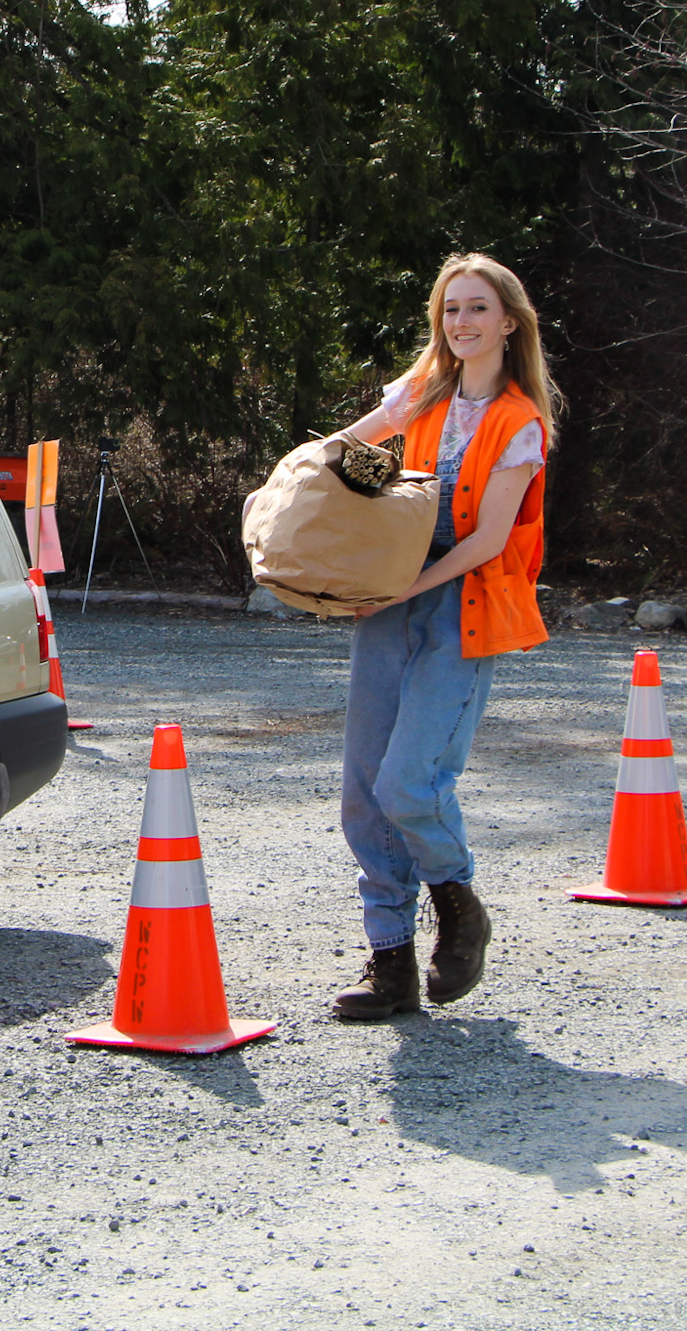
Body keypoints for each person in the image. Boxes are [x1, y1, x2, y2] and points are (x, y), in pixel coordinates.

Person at [326, 252, 560, 1021]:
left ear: (508, 321)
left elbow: (487, 542)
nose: (460, 322)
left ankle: (459, 903)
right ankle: (389, 963)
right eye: (449, 309)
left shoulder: (520, 423)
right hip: (391, 604)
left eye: (476, 308)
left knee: (407, 783)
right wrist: (297, 482)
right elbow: (342, 452)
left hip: (464, 607)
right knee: (363, 795)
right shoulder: (421, 391)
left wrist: (399, 586)